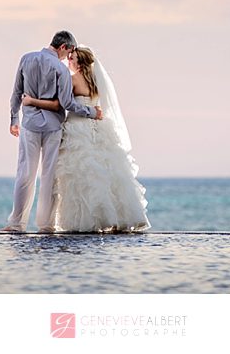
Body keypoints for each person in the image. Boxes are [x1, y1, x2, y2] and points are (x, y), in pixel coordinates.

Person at [22, 46, 149, 233]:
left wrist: (32, 101)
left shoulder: (71, 79)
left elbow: (60, 103)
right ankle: (114, 218)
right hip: (97, 128)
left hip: (77, 128)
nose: (68, 61)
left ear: (79, 65)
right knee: (105, 173)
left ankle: (85, 220)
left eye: (72, 58)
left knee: (78, 175)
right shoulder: (96, 82)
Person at [3, 31, 103, 234]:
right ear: (64, 47)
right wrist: (91, 112)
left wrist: (14, 119)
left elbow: (16, 93)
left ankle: (16, 224)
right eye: (69, 53)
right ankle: (45, 225)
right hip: (53, 127)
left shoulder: (26, 58)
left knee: (24, 173)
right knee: (49, 176)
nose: (68, 58)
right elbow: (66, 103)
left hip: (29, 125)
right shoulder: (61, 70)